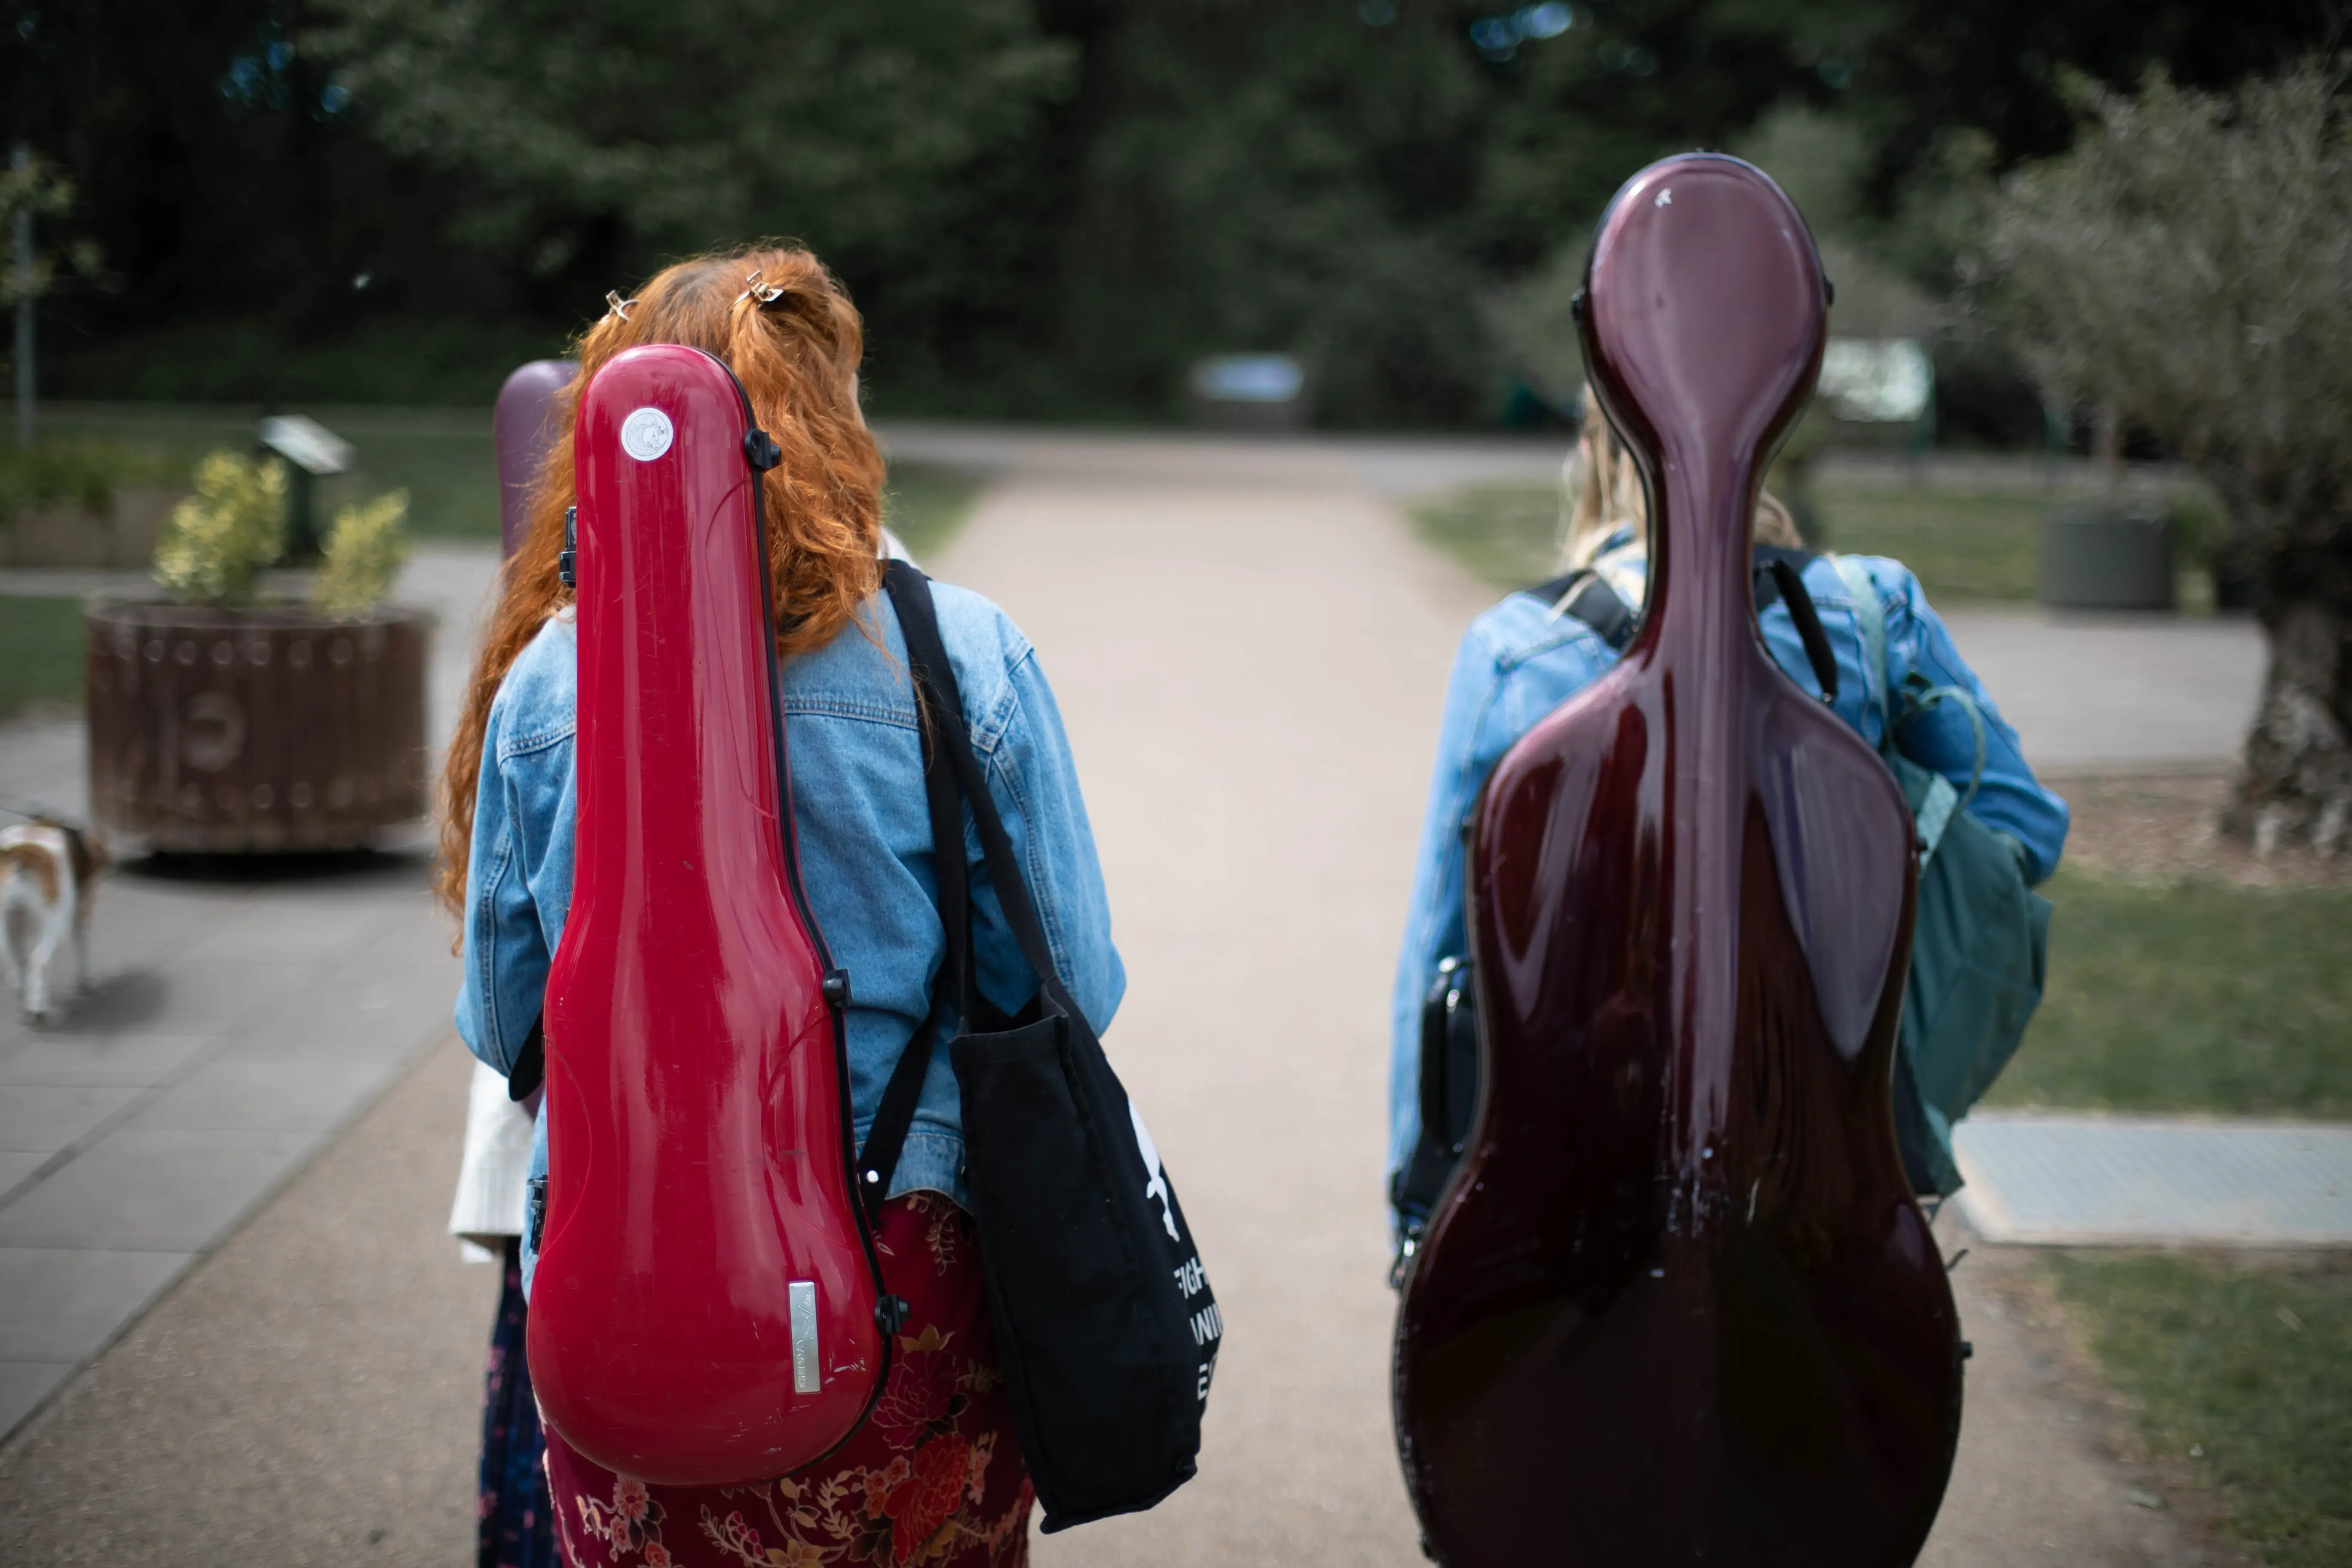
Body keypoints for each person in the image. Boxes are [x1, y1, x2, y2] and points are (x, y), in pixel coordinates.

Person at [436, 246, 1124, 1568]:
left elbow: (503, 1023)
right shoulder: (955, 653)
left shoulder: (548, 681)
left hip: (628, 1273)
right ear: (828, 420)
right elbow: (1068, 988)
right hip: (904, 1269)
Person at [1387, 403, 2071, 1242]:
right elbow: (2023, 826)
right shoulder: (1870, 613)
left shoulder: (1519, 649)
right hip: (1824, 1134)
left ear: (1598, 451)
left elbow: (1445, 939)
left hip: (1583, 1141)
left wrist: (1418, 1213)